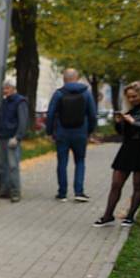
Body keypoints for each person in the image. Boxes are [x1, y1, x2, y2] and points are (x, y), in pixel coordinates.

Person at [94, 81, 140, 227]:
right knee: (116, 184)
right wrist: (119, 123)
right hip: (127, 149)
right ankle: (108, 215)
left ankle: (130, 216)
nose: (132, 99)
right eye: (129, 97)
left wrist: (134, 122)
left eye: (134, 96)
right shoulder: (130, 111)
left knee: (138, 185)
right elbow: (123, 133)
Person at [45, 68, 97, 202]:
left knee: (62, 162)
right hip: (81, 133)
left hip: (62, 133)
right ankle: (79, 192)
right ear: (77, 77)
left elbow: (50, 114)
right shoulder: (86, 93)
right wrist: (89, 131)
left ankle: (62, 193)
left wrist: (49, 132)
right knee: (80, 161)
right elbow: (92, 114)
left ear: (64, 78)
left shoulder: (59, 94)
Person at [0, 81, 29, 202]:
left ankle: (15, 192)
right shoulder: (5, 101)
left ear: (13, 89)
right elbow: (1, 120)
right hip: (2, 137)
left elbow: (23, 121)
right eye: (4, 89)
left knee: (13, 166)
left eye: (7, 89)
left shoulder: (20, 101)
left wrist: (17, 137)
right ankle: (5, 190)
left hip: (12, 139)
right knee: (2, 166)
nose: (5, 91)